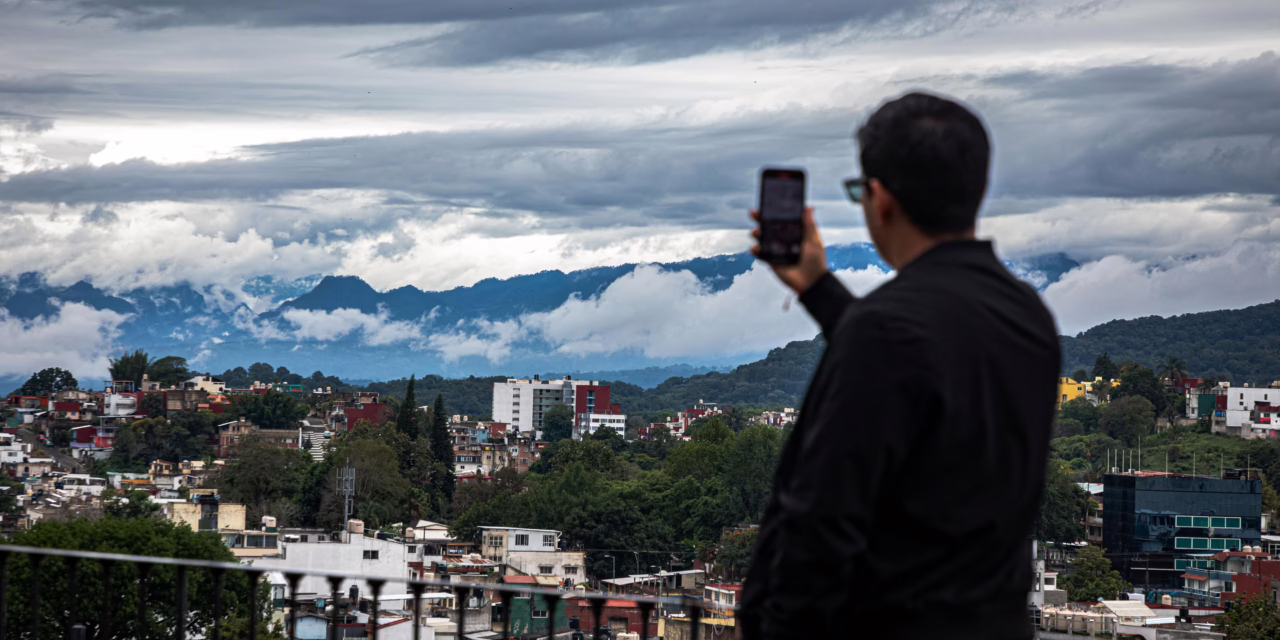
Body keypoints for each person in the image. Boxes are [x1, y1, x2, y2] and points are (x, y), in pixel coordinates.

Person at [741, 92, 1060, 639]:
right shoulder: (1027, 316)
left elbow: (819, 527)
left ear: (880, 199)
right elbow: (925, 363)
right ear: (977, 189)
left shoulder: (886, 330)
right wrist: (818, 288)